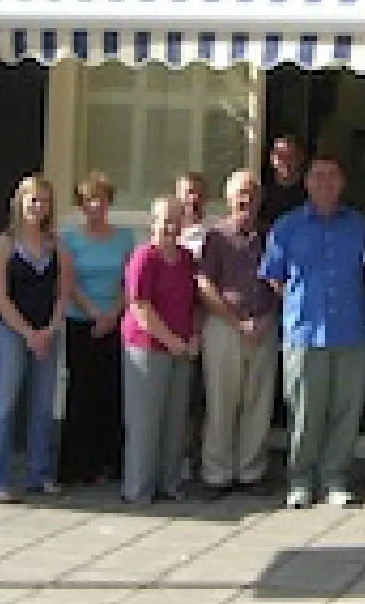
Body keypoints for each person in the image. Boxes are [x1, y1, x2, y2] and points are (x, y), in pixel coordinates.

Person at [259, 155, 365, 509]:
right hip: (305, 333)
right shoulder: (287, 226)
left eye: (332, 176)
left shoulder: (360, 226)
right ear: (306, 183)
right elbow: (274, 276)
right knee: (305, 412)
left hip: (352, 330)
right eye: (318, 176)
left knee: (346, 411)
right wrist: (300, 304)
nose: (325, 183)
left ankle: (335, 478)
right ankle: (301, 480)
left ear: (342, 183)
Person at [0, 175, 71, 502]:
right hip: (12, 333)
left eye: (44, 201)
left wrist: (49, 329)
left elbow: (64, 292)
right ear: (19, 202)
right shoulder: (3, 244)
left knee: (43, 407)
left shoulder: (57, 245)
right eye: (33, 200)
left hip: (47, 332)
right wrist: (28, 333)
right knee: (3, 406)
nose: (38, 206)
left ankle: (40, 474)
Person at [197, 170, 279, 494]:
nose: (246, 199)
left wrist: (265, 318)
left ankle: (251, 471)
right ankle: (216, 473)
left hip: (263, 326)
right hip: (224, 327)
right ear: (229, 198)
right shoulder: (215, 236)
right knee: (221, 400)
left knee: (258, 401)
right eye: (240, 193)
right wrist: (236, 321)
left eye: (252, 193)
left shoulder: (270, 236)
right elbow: (204, 284)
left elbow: (280, 281)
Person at [57, 172, 136, 486]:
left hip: (115, 322)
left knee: (111, 391)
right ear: (81, 204)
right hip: (81, 322)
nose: (95, 206)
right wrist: (93, 313)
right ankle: (78, 466)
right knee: (81, 392)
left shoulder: (125, 238)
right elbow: (67, 281)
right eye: (89, 200)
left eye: (101, 199)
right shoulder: (68, 238)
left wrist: (112, 314)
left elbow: (130, 282)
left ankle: (109, 463)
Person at [120, 195, 200, 505]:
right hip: (147, 348)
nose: (171, 227)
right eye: (165, 220)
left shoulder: (187, 258)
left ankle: (170, 484)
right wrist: (172, 341)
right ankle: (138, 490)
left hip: (181, 349)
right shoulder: (144, 257)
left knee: (174, 421)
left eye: (176, 220)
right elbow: (140, 307)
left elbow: (194, 302)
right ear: (153, 222)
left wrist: (193, 336)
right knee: (145, 422)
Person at [175, 172, 208, 482]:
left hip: (201, 324)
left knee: (195, 397)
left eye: (197, 193)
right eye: (187, 193)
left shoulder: (211, 235)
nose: (192, 199)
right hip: (168, 325)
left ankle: (190, 456)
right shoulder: (165, 234)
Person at [259, 135, 307, 229]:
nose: (285, 161)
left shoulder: (310, 189)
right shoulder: (261, 189)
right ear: (272, 160)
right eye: (280, 156)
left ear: (300, 158)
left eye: (290, 156)